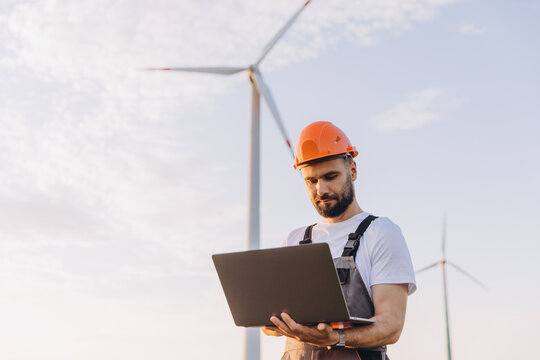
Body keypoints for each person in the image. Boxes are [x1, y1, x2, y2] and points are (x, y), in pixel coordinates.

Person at [262, 121, 416, 360]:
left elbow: (391, 326)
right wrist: (272, 322)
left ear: (352, 170)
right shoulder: (294, 239)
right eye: (310, 181)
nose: (320, 189)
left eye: (330, 176)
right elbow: (276, 322)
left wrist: (337, 339)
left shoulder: (381, 233)